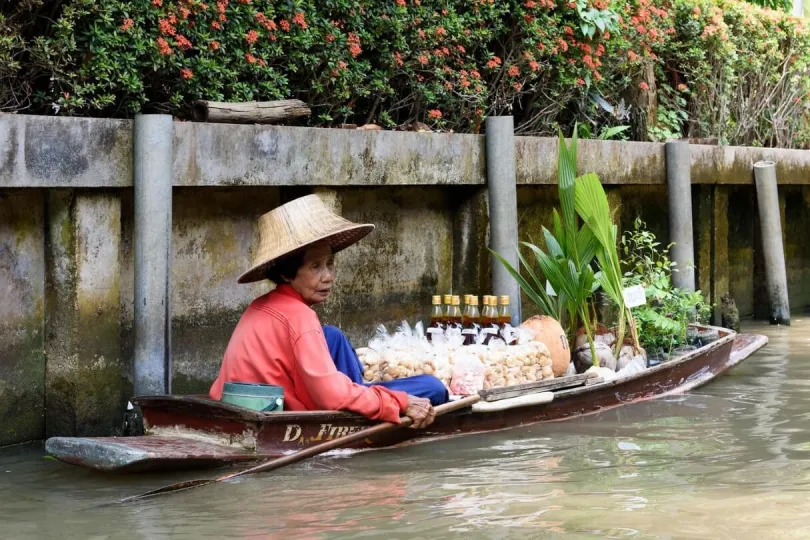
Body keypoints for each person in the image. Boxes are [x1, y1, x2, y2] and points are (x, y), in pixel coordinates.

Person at [209, 194, 449, 428]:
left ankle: (360, 391)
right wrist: (399, 401)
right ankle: (363, 399)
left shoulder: (260, 305)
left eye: (330, 265)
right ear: (286, 273)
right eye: (316, 267)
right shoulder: (300, 316)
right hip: (279, 408)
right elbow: (330, 397)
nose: (329, 277)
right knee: (433, 387)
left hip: (251, 399)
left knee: (332, 335)